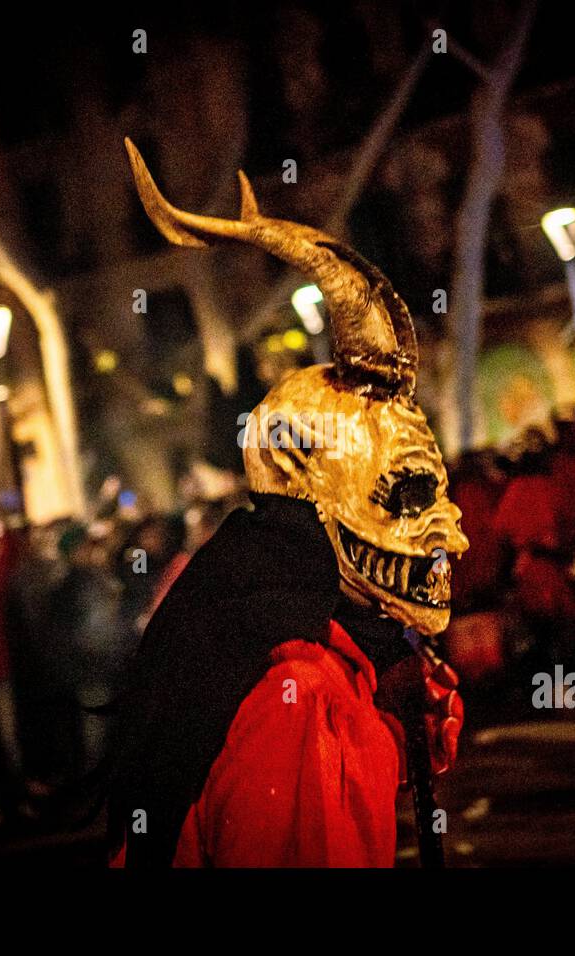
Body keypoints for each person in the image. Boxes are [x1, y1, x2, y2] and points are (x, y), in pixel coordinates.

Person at [108, 141, 466, 867]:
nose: (451, 539)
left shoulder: (283, 645)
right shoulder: (295, 694)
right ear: (302, 478)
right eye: (404, 493)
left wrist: (391, 712)